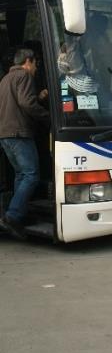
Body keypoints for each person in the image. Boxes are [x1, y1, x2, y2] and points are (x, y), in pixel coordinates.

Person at [0, 48, 50, 240]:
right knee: (31, 175)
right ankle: (12, 216)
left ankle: (17, 216)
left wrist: (38, 98)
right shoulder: (24, 76)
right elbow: (26, 104)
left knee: (21, 175)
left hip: (6, 135)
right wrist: (48, 118)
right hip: (20, 133)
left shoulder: (5, 80)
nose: (36, 68)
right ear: (28, 61)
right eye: (36, 63)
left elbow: (19, 103)